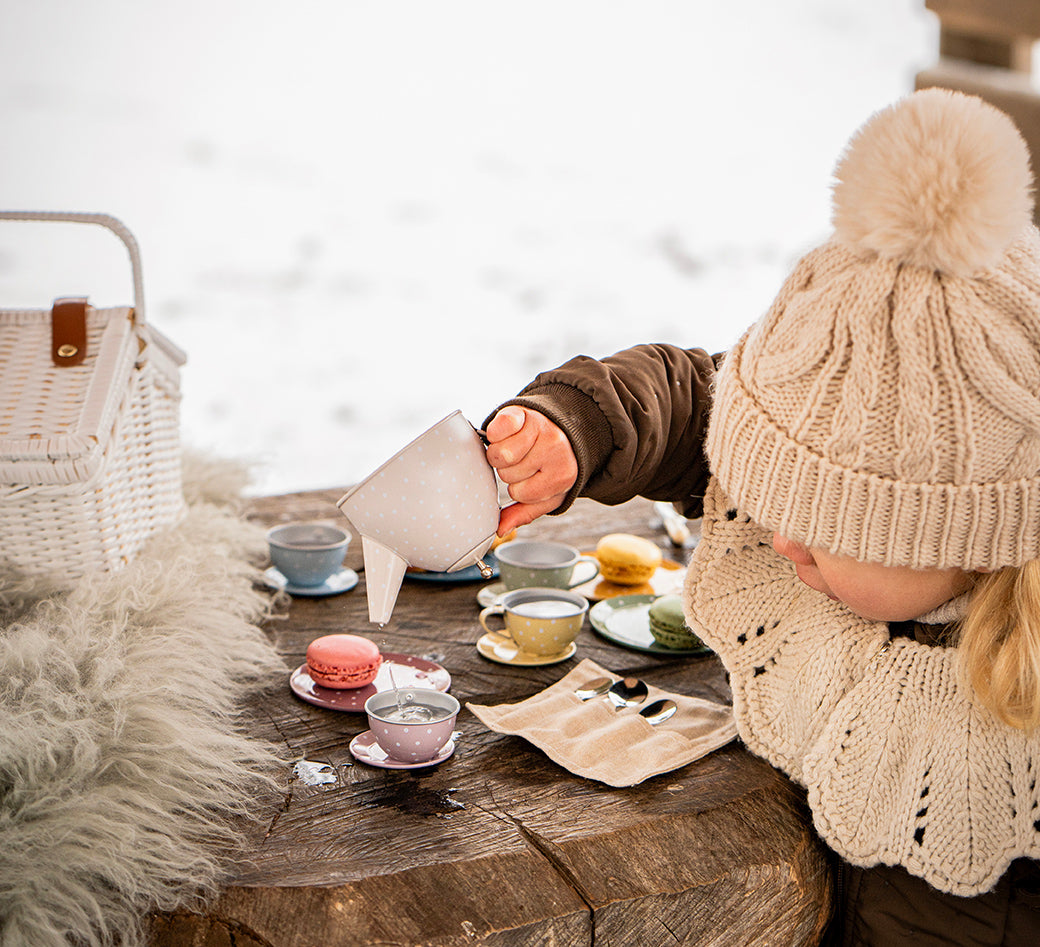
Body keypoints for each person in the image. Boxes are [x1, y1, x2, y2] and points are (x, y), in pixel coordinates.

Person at [482, 88, 1040, 946]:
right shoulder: (812, 465)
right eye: (768, 493)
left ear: (967, 540)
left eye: (824, 528)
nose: (778, 538)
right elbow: (699, 402)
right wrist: (583, 427)